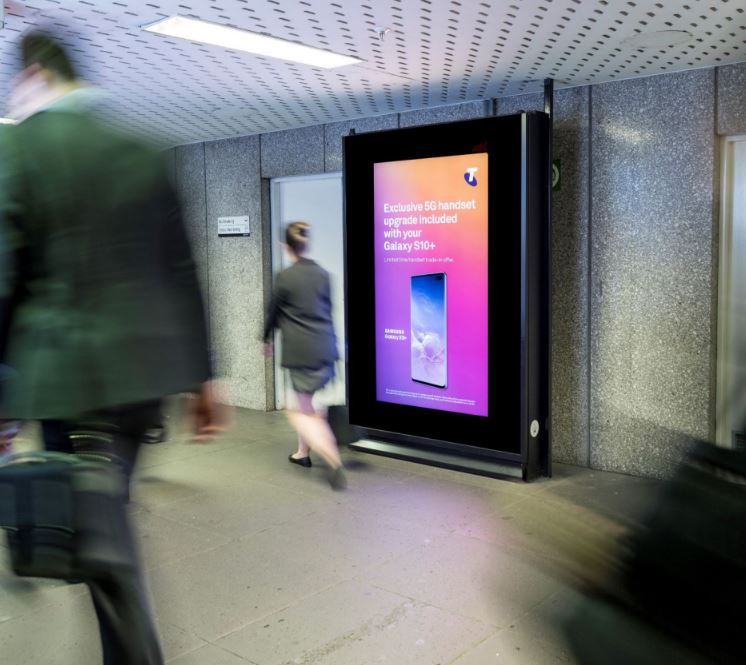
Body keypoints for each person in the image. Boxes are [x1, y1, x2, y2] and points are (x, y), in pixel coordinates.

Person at [0, 31, 223, 664]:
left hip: (65, 376)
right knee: (103, 502)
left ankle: (123, 614)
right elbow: (182, 271)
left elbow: (6, 275)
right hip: (143, 378)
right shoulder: (142, 151)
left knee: (97, 524)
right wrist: (205, 382)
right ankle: (107, 556)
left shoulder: (18, 147)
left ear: (35, 74)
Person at [264, 222, 345, 490]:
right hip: (325, 349)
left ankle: (332, 458)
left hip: (301, 352)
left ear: (287, 247)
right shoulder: (323, 274)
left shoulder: (285, 277)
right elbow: (328, 310)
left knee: (297, 411)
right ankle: (302, 453)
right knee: (309, 404)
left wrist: (265, 339)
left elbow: (273, 313)